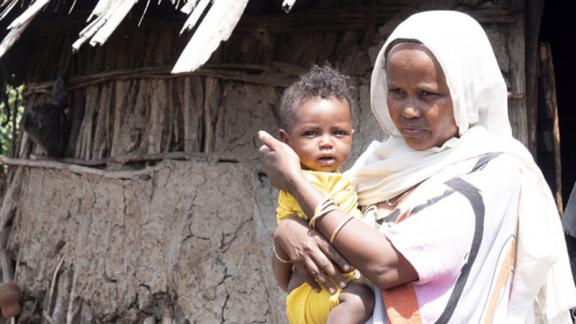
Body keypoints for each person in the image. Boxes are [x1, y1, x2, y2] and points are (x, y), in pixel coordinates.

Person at [258, 10, 576, 323]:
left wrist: (295, 182)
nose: (409, 110)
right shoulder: (379, 165)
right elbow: (303, 272)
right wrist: (286, 235)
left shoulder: (490, 172)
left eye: (427, 94)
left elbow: (385, 265)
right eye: (397, 92)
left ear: (464, 93)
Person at [271, 64, 374, 324]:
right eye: (311, 133)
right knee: (363, 298)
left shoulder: (345, 179)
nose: (326, 142)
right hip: (328, 290)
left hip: (304, 295)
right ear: (286, 141)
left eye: (338, 132)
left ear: (351, 136)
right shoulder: (308, 183)